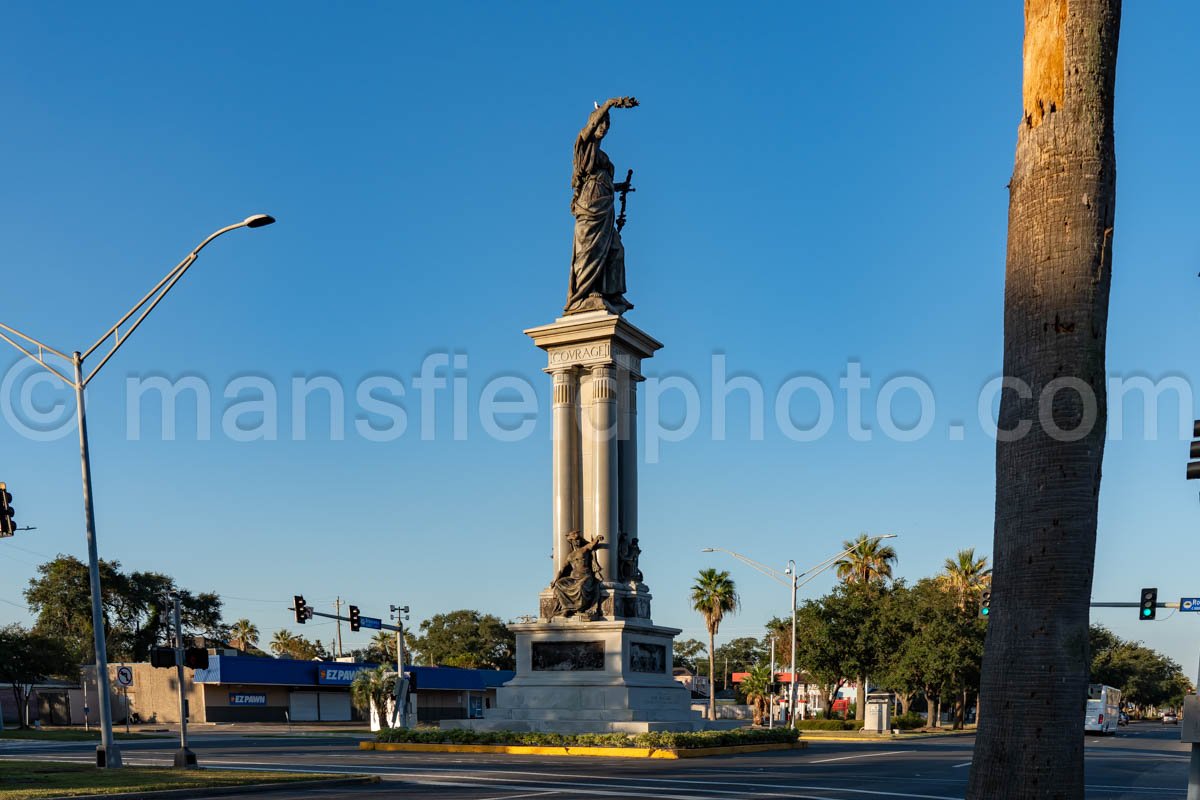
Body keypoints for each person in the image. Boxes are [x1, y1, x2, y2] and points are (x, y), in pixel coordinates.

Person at [565, 97, 638, 315]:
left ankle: (612, 293)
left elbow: (602, 178)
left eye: (607, 124)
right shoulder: (583, 145)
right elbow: (589, 128)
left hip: (605, 205)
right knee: (589, 249)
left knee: (616, 249)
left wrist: (619, 186)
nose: (604, 128)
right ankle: (587, 293)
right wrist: (610, 103)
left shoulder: (603, 155)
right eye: (601, 123)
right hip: (590, 205)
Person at [551, 530, 604, 617]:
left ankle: (580, 608)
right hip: (573, 578)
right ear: (571, 542)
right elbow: (562, 570)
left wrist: (597, 538)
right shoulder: (570, 556)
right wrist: (555, 580)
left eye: (579, 539)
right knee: (559, 584)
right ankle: (566, 608)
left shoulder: (584, 549)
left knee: (581, 586)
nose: (577, 542)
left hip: (585, 576)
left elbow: (592, 544)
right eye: (575, 540)